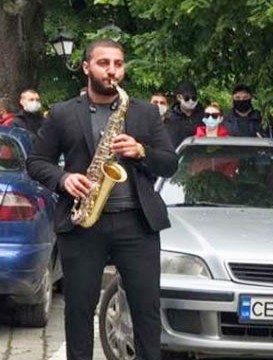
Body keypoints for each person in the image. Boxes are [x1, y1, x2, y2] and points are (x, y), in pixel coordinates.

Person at [26, 39, 178, 360]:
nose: (112, 70)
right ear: (86, 67)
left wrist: (141, 151)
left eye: (118, 64)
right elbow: (37, 162)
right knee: (79, 311)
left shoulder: (145, 113)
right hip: (83, 222)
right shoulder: (63, 113)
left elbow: (169, 162)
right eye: (103, 63)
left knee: (146, 311)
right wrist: (64, 178)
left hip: (136, 222)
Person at [165, 81, 205, 147]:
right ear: (179, 97)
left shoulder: (205, 116)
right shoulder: (170, 118)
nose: (191, 101)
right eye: (187, 98)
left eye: (194, 98)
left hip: (200, 155)